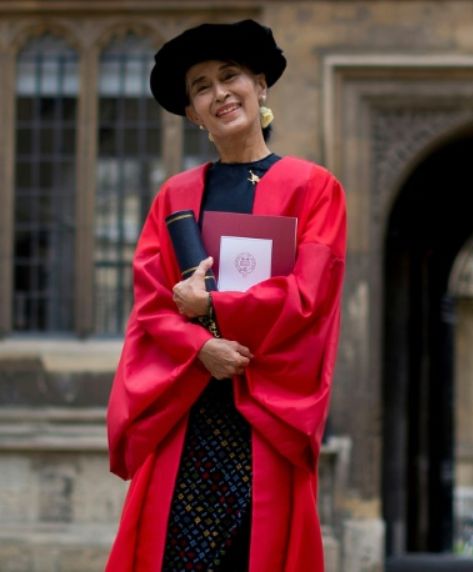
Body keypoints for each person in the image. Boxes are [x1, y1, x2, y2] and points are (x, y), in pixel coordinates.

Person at [105, 20, 346, 572]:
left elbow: (310, 298)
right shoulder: (176, 196)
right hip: (187, 411)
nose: (219, 93)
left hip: (264, 411)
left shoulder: (314, 188)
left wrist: (212, 307)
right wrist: (198, 350)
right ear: (192, 112)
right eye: (201, 86)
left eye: (230, 75)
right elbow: (149, 307)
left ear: (260, 85)